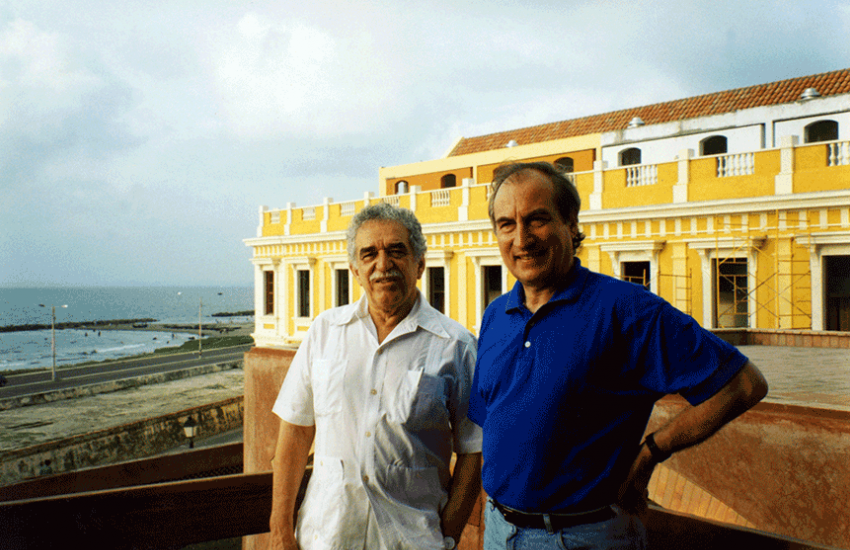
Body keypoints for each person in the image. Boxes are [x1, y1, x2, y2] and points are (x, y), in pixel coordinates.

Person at [469, 161, 769, 549]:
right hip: (499, 531)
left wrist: (651, 453)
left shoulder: (626, 310)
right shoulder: (496, 316)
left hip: (583, 536)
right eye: (506, 224)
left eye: (537, 219)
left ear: (571, 223)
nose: (522, 238)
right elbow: (491, 426)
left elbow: (743, 385)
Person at [270, 202, 483, 550]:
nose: (382, 265)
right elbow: (295, 431)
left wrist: (447, 536)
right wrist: (279, 529)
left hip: (411, 541)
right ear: (355, 269)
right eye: (369, 254)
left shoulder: (456, 346)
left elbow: (473, 451)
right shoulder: (324, 332)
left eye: (396, 251)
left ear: (420, 264)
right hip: (326, 538)